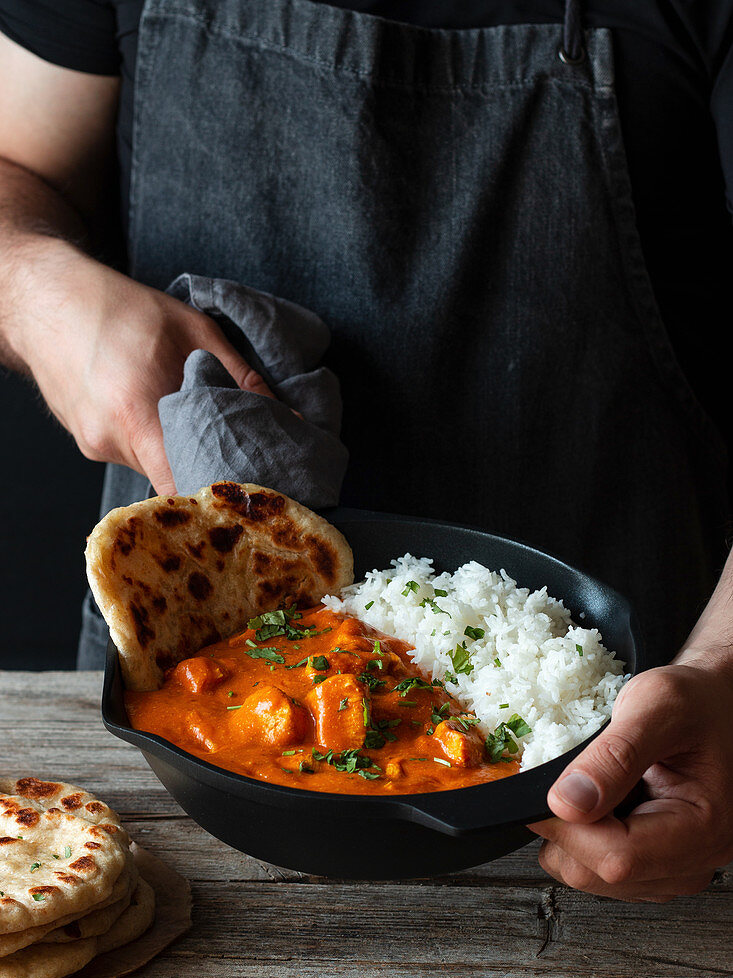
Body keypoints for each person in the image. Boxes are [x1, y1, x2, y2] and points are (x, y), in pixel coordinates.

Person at [0, 0, 731, 902]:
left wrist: (723, 671)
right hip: (178, 787)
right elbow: (16, 160)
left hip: (638, 767)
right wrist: (32, 289)